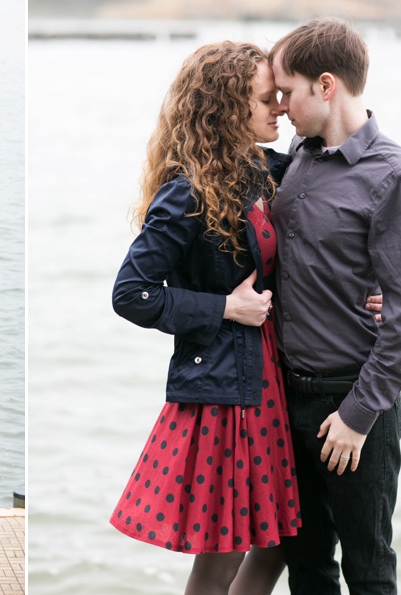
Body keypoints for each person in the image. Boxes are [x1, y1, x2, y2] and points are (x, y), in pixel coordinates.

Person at [110, 41, 299, 595]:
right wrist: (223, 307)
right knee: (222, 557)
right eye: (267, 99)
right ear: (226, 107)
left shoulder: (272, 171)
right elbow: (131, 294)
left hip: (273, 381)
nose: (280, 108)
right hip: (228, 393)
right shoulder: (186, 194)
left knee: (280, 545)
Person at [269, 18, 401, 595]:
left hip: (355, 406)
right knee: (308, 569)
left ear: (327, 85)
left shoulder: (396, 174)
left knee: (368, 569)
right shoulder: (298, 157)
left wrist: (359, 417)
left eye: (288, 91)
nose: (281, 105)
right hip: (287, 398)